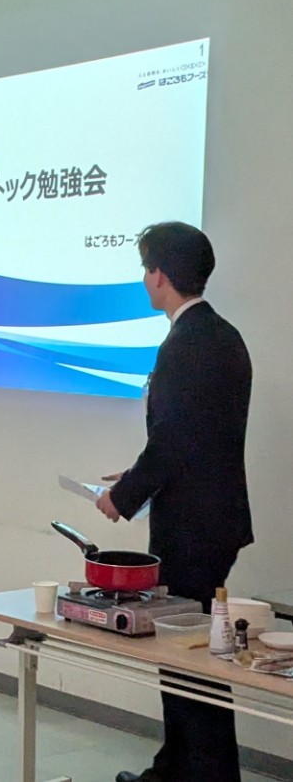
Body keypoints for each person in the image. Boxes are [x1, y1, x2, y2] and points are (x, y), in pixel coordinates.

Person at [96, 222, 252, 782]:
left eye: (146, 269)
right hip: (214, 520)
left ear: (160, 275)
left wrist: (123, 496)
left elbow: (172, 441)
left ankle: (201, 772)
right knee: (189, 654)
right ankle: (179, 767)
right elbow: (195, 438)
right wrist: (137, 477)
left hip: (192, 527)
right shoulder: (224, 336)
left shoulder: (185, 344)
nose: (144, 279)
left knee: (188, 657)